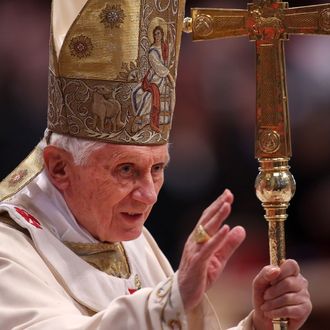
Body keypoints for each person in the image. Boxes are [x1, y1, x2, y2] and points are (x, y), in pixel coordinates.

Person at [0, 1, 311, 329]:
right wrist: (171, 299)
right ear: (60, 168)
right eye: (126, 170)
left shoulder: (127, 238)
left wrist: (259, 324)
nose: (148, 195)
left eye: (158, 169)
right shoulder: (9, 252)